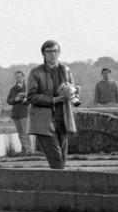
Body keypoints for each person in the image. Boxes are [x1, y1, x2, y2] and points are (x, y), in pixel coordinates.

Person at [27, 39, 80, 170]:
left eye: (55, 51)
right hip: (43, 120)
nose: (53, 54)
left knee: (62, 158)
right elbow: (31, 97)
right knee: (56, 160)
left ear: (59, 52)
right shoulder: (36, 72)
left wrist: (75, 91)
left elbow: (73, 89)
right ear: (43, 54)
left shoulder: (65, 70)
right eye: (49, 52)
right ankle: (64, 185)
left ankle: (60, 185)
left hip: (63, 118)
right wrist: (53, 100)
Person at [6, 70, 33, 155]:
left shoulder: (28, 87)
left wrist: (25, 100)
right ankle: (24, 149)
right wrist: (15, 99)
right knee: (20, 132)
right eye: (16, 77)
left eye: (19, 77)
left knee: (26, 132)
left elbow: (33, 98)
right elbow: (8, 100)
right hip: (16, 113)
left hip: (25, 112)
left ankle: (29, 150)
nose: (18, 79)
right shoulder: (13, 89)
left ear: (23, 77)